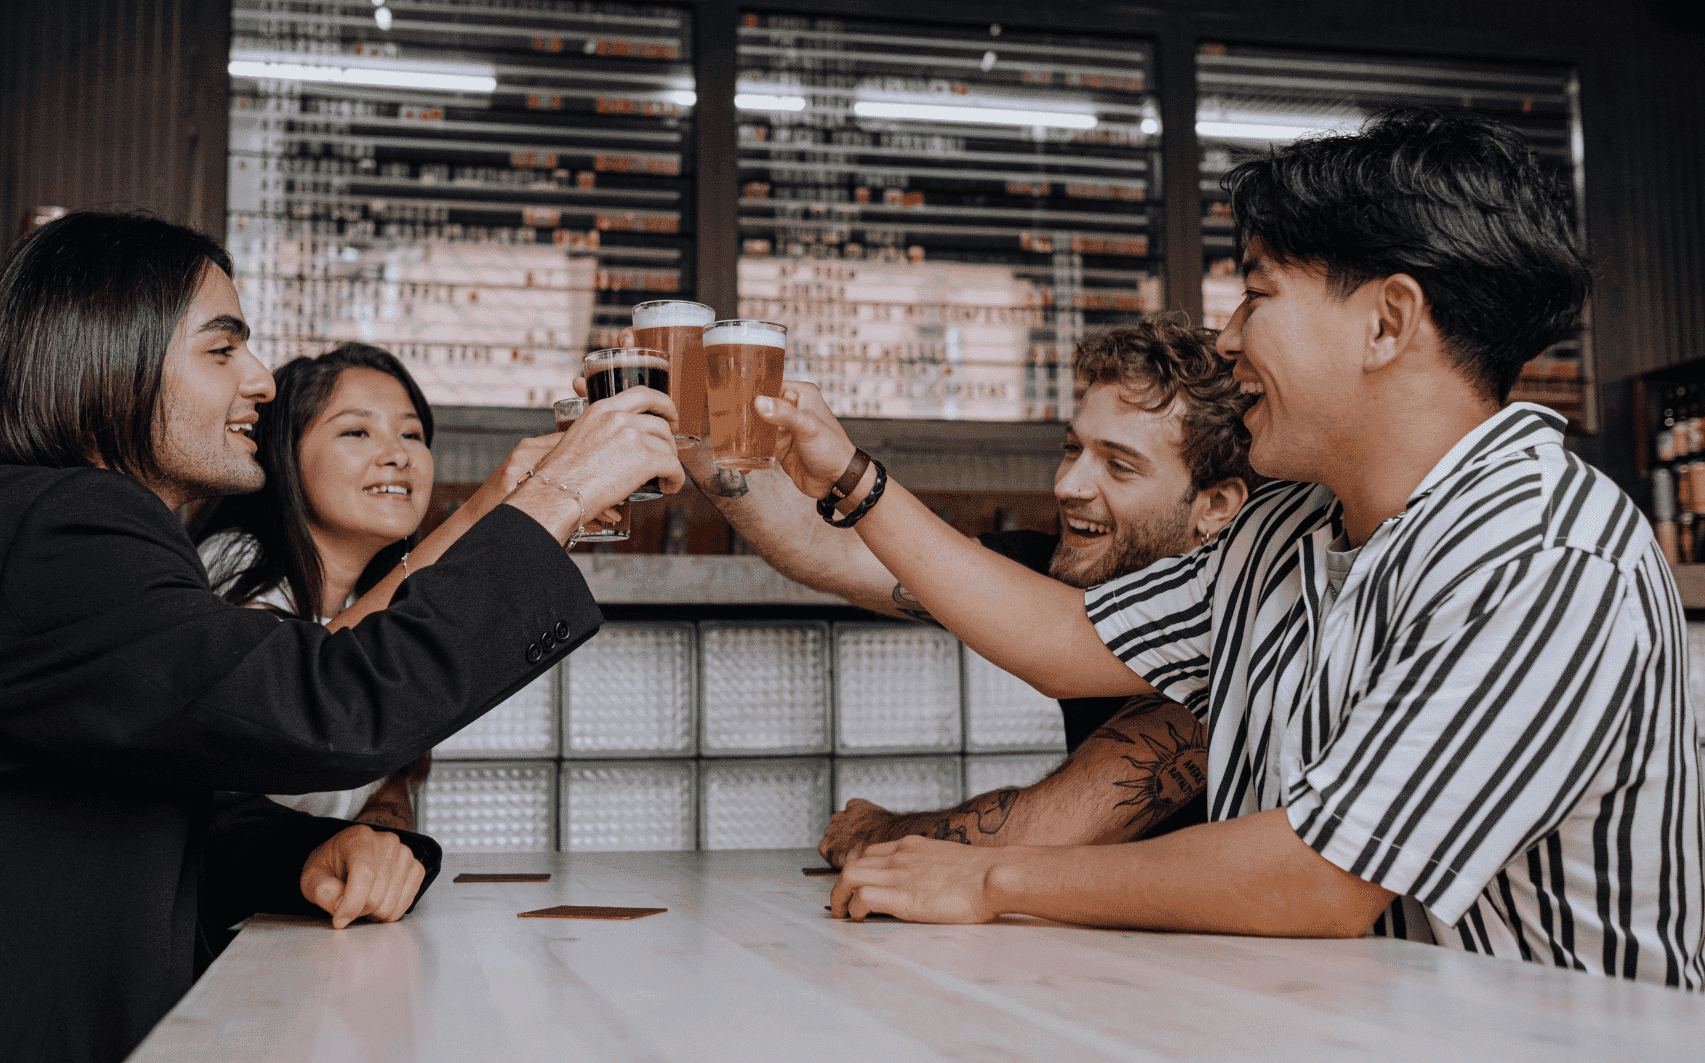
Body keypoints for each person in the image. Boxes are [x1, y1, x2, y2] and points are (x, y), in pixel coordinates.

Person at [762, 108, 1701, 987]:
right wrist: (849, 474)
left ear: (1388, 320)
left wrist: (990, 880)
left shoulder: (1544, 555)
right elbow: (1062, 640)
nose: (1228, 334)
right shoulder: (1289, 524)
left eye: (1257, 293)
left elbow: (1321, 878)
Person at [0, 211, 683, 1062]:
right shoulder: (63, 522)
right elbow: (324, 709)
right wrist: (559, 500)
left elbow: (151, 808)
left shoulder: (44, 523)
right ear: (110, 359)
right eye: (223, 348)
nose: (260, 379)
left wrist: (309, 853)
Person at [686, 317, 1259, 857]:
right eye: (1071, 449)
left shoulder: (1229, 613)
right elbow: (825, 548)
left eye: (1119, 465)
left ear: (1215, 505)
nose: (1068, 485)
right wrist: (690, 438)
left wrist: (882, 833)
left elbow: (1053, 828)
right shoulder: (1065, 567)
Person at [192, 342, 569, 832]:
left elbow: (390, 768)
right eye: (356, 431)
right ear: (284, 456)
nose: (397, 455)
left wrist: (382, 828)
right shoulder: (235, 560)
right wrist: (482, 513)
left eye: (412, 434)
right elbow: (294, 698)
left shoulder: (376, 592)